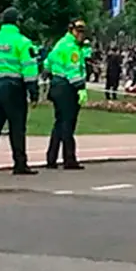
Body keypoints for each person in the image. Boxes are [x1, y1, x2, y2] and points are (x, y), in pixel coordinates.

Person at [0, 7, 39, 175]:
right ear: (17, 22)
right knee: (17, 128)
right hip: (14, 89)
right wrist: (33, 91)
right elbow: (29, 68)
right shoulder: (23, 42)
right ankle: (20, 164)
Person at [45, 20, 88, 170]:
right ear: (73, 31)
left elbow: (47, 63)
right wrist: (80, 88)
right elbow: (73, 71)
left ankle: (51, 158)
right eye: (79, 32)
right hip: (67, 87)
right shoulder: (72, 49)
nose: (81, 35)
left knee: (59, 122)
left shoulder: (60, 44)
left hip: (56, 84)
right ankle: (69, 158)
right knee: (68, 123)